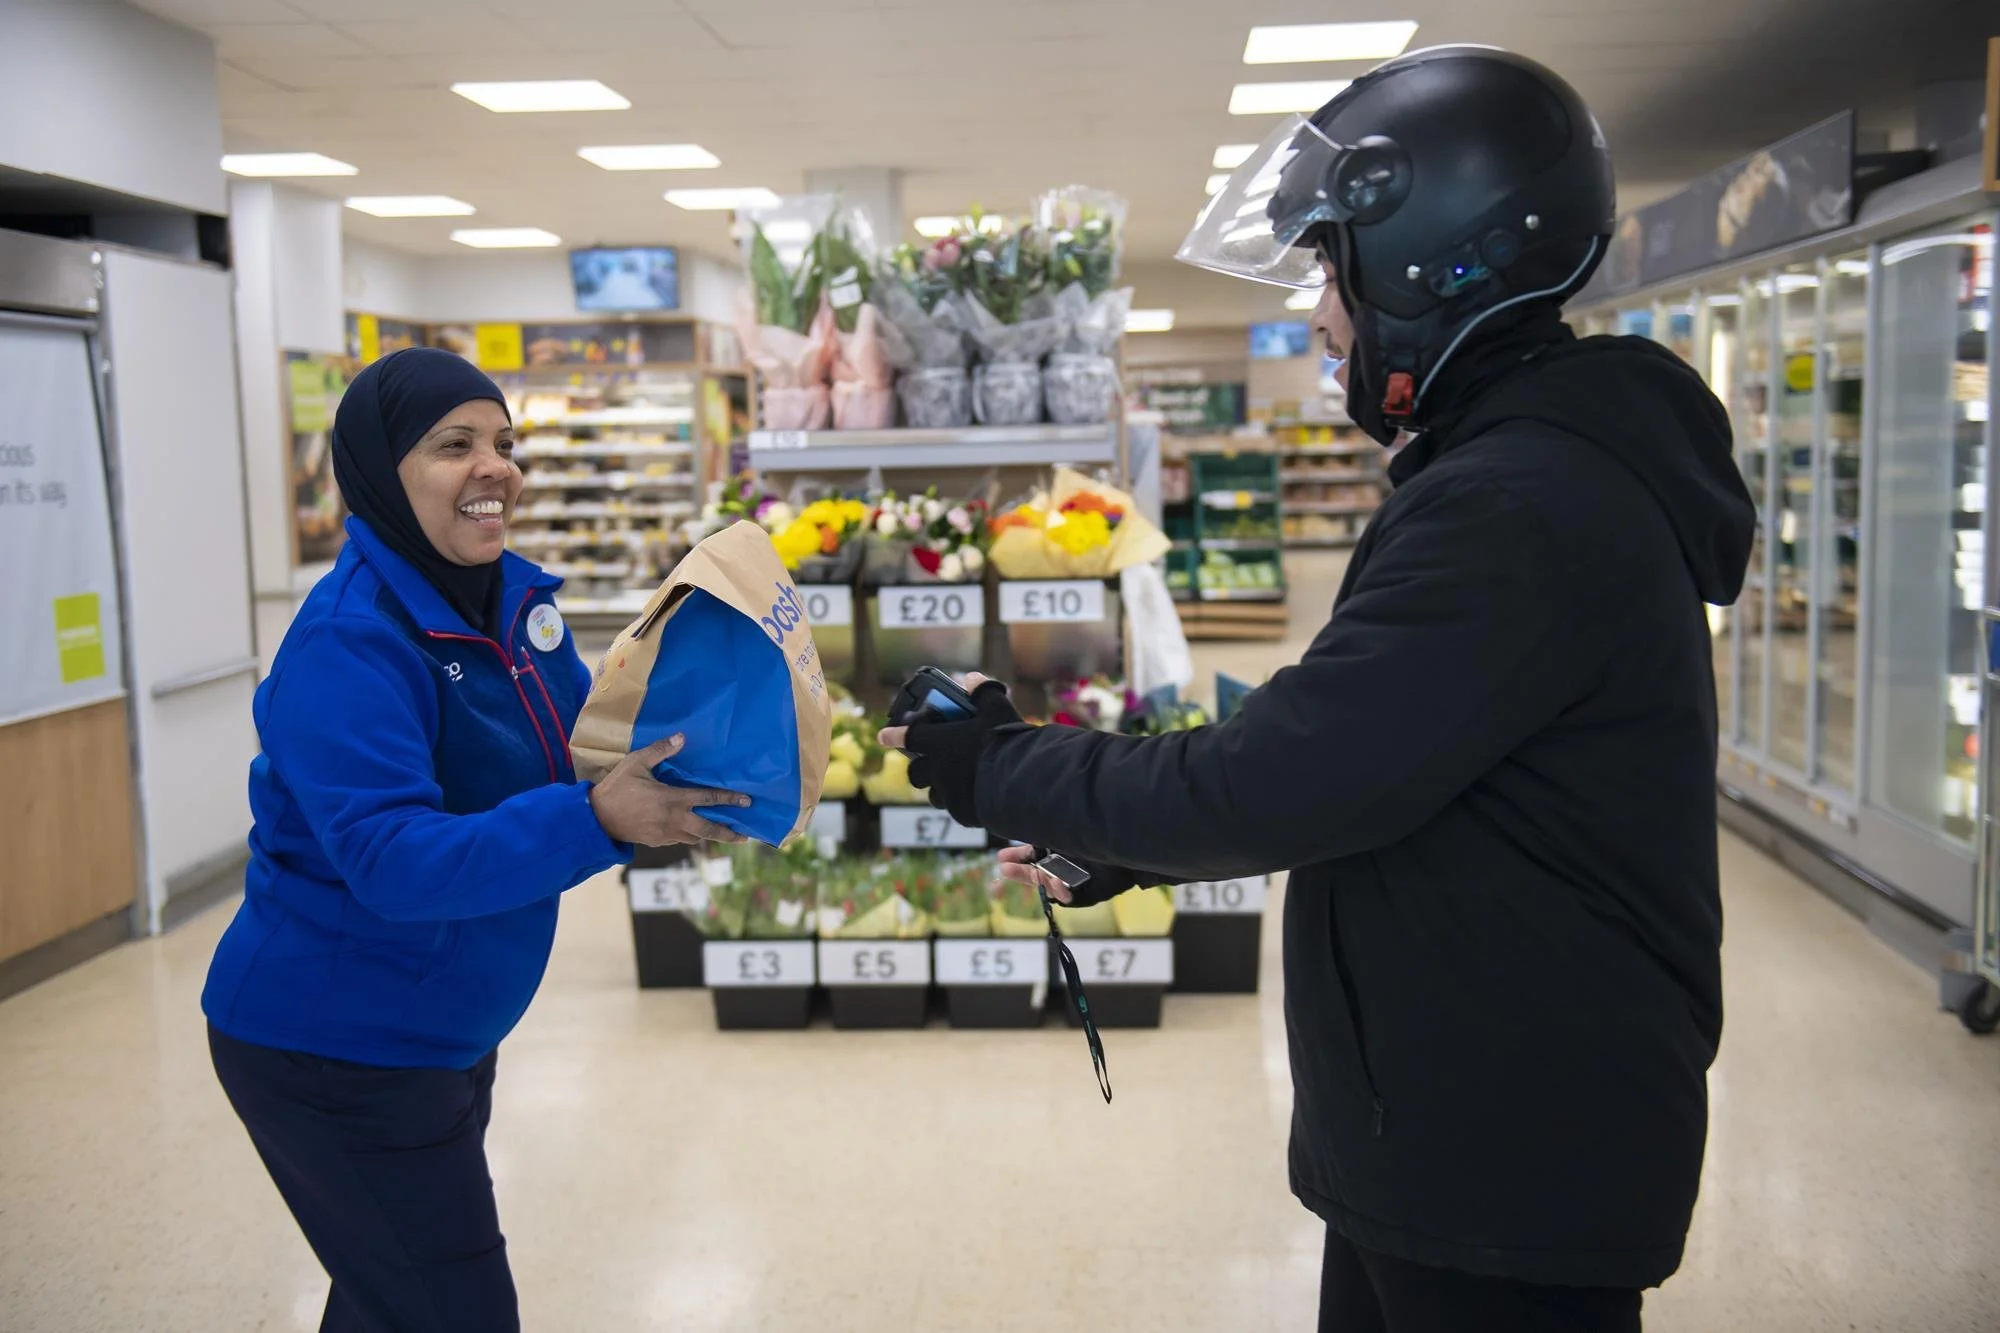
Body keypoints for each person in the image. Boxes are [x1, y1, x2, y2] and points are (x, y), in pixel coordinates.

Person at [883, 46, 1755, 1333]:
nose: (1319, 312)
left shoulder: (1519, 504)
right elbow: (1375, 764)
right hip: (1470, 1099)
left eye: (1328, 267)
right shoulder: (1521, 469)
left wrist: (999, 763)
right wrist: (1119, 840)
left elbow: (1284, 776)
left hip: (1508, 1137)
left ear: (1430, 264)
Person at [202, 347, 746, 1333]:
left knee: (393, 1298)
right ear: (377, 470)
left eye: (503, 441)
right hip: (338, 1046)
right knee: (453, 1309)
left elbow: (588, 752)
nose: (495, 467)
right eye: (454, 445)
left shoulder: (508, 604)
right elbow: (391, 861)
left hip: (437, 1027)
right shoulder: (350, 644)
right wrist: (593, 820)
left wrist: (728, 721)